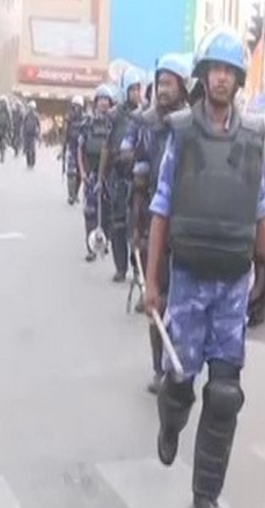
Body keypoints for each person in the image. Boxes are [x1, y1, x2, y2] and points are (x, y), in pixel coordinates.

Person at [144, 27, 265, 508]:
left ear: (238, 79)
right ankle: (169, 422)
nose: (221, 78)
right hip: (190, 280)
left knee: (224, 395)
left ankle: (205, 496)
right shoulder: (180, 132)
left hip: (233, 282)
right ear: (203, 76)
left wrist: (263, 271)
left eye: (229, 71)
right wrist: (154, 282)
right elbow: (161, 209)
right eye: (214, 70)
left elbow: (259, 207)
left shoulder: (255, 138)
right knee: (182, 382)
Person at [122, 52, 190, 395]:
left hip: (189, 226)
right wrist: (137, 228)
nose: (162, 90)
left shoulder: (194, 126)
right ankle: (159, 368)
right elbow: (139, 178)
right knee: (157, 297)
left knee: (185, 303)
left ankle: (180, 363)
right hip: (155, 221)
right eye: (159, 83)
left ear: (183, 87)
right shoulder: (147, 125)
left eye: (169, 83)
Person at [100, 67, 145, 282]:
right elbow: (107, 148)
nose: (136, 93)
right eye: (133, 89)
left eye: (139, 89)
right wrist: (102, 176)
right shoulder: (114, 115)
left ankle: (139, 272)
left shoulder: (146, 115)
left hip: (138, 178)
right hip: (118, 177)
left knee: (138, 227)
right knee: (118, 224)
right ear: (125, 90)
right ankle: (121, 268)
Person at [79, 85, 117, 262]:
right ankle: (91, 247)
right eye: (100, 99)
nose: (103, 103)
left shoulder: (113, 123)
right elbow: (80, 148)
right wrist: (82, 171)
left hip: (110, 175)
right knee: (90, 212)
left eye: (106, 99)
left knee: (108, 211)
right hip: (91, 173)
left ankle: (105, 241)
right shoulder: (87, 123)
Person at [63, 95, 86, 205]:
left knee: (77, 174)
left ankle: (74, 194)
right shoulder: (70, 118)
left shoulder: (84, 119)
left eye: (78, 106)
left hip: (79, 150)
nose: (76, 109)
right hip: (74, 149)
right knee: (72, 173)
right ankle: (72, 195)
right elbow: (66, 134)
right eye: (75, 106)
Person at [22, 100, 41, 169]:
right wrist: (23, 132)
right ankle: (28, 163)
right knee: (27, 149)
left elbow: (38, 125)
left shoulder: (36, 116)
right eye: (30, 108)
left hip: (33, 134)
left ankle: (32, 163)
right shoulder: (26, 115)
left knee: (32, 149)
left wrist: (38, 134)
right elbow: (24, 124)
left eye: (32, 108)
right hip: (27, 134)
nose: (31, 109)